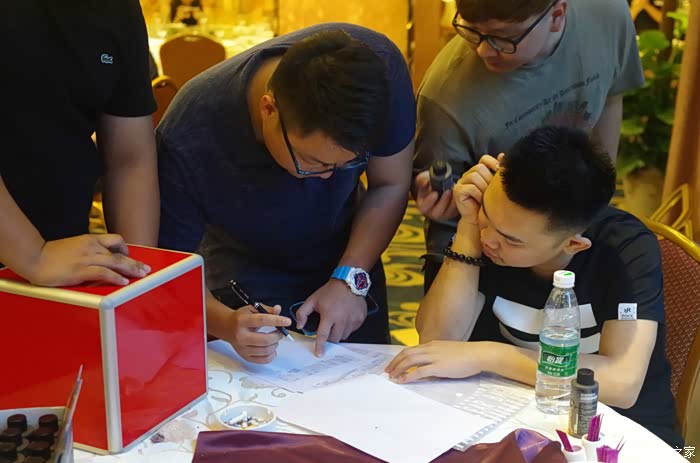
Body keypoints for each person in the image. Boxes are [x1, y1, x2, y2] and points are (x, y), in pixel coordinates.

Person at [386, 127, 682, 447]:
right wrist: (469, 225)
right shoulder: (484, 232)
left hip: (619, 435)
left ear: (572, 244)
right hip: (518, 417)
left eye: (511, 240)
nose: (489, 239)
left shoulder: (625, 250)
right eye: (487, 214)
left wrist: (488, 355)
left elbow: (622, 382)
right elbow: (438, 342)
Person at [157, 24, 415, 361]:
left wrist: (351, 278)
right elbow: (170, 267)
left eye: (348, 164)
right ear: (268, 110)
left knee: (367, 376)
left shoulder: (377, 74)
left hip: (349, 244)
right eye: (313, 163)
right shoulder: (190, 136)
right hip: (244, 263)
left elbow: (389, 184)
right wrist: (226, 323)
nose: (327, 178)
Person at [413, 0, 645, 291]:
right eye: (472, 31)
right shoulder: (444, 97)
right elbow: (446, 196)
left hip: (565, 229)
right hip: (482, 249)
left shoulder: (607, 13)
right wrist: (442, 202)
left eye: (504, 38)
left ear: (557, 15)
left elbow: (611, 97)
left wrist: (597, 201)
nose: (484, 50)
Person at [1, 0, 158, 287]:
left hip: (65, 257)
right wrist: (34, 256)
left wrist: (137, 272)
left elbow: (130, 159)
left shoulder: (118, 10)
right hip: (30, 253)